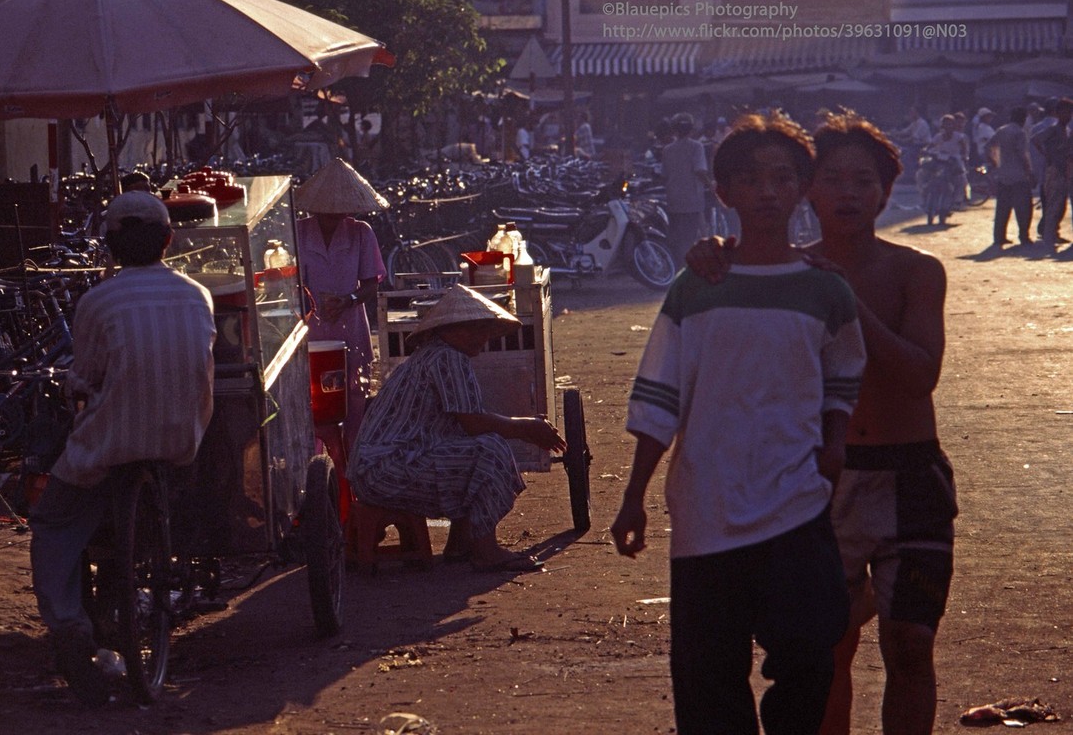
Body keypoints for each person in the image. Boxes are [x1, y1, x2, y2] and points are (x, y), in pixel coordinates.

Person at [684, 111, 956, 735]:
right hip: (817, 483)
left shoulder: (915, 271)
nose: (850, 194)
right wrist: (712, 255)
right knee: (827, 649)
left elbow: (920, 375)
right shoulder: (782, 271)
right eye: (834, 178)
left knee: (911, 643)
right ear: (809, 188)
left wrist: (848, 302)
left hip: (910, 477)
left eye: (865, 181)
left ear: (887, 191)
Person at [612, 112, 866, 735]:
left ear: (803, 188)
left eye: (783, 178)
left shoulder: (825, 291)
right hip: (705, 509)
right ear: (723, 192)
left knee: (810, 658)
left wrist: (833, 444)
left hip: (796, 504)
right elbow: (659, 398)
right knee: (708, 681)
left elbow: (843, 373)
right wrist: (634, 496)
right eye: (750, 180)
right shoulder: (695, 287)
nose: (767, 192)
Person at [30, 191, 216, 707]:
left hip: (113, 444)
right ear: (168, 241)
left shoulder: (97, 300)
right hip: (181, 441)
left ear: (110, 246)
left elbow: (85, 377)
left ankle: (68, 625)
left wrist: (75, 392)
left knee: (55, 521)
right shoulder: (198, 295)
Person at [347, 284, 566, 573]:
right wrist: (524, 427)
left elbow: (463, 426)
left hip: (375, 470)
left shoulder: (432, 355)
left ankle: (460, 544)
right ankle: (485, 551)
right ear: (450, 330)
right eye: (475, 330)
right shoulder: (447, 357)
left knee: (471, 447)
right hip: (386, 470)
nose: (483, 338)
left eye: (485, 330)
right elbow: (474, 423)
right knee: (490, 450)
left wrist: (520, 426)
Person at [293, 158, 388, 450]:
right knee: (313, 398)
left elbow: (372, 284)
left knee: (354, 399)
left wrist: (349, 299)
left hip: (351, 327)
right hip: (310, 326)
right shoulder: (298, 231)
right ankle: (319, 465)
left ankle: (353, 468)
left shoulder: (361, 232)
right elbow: (285, 278)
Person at [659, 113, 712, 260]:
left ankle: (677, 268)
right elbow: (700, 171)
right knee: (689, 238)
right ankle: (686, 269)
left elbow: (664, 175)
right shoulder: (697, 147)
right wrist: (711, 186)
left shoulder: (667, 150)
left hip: (673, 200)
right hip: (691, 200)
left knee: (677, 239)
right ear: (691, 129)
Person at [985, 106, 1035, 247]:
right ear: (1023, 118)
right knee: (1024, 208)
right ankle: (1024, 236)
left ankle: (999, 237)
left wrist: (995, 162)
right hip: (1018, 176)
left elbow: (989, 146)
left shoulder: (1002, 130)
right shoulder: (1019, 133)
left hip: (1003, 175)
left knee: (1002, 208)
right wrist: (1029, 172)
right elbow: (1022, 155)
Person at [1034, 97, 1073, 253]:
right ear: (1057, 113)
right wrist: (1047, 155)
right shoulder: (1053, 129)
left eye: (1070, 112)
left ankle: (1053, 235)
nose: (1068, 115)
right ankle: (1048, 238)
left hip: (1066, 170)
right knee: (1053, 206)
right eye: (1065, 112)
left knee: (1061, 206)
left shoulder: (1067, 130)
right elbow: (1035, 139)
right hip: (1056, 170)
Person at [924, 114, 968, 225]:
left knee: (961, 180)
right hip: (940, 163)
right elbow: (930, 147)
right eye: (945, 123)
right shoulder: (938, 137)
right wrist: (925, 151)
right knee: (923, 176)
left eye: (950, 123)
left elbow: (964, 150)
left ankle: (956, 202)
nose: (948, 126)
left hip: (954, 163)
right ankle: (926, 201)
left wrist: (964, 156)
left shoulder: (959, 137)